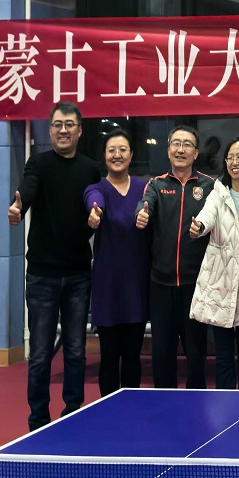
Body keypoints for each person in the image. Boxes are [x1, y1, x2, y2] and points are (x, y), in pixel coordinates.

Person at [8, 101, 101, 431]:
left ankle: (73, 414)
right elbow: (29, 187)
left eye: (69, 125)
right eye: (58, 124)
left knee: (76, 351)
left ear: (79, 131)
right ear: (50, 130)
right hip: (42, 275)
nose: (63, 130)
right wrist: (19, 207)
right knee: (40, 354)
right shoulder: (39, 162)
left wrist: (96, 217)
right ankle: (38, 421)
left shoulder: (91, 169)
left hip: (78, 274)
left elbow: (95, 202)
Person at [135, 125, 215, 389]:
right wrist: (141, 214)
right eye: (176, 144)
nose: (181, 149)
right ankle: (164, 406)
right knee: (162, 355)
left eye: (187, 144)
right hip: (161, 285)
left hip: (196, 286)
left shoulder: (209, 186)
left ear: (196, 153)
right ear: (168, 150)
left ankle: (197, 405)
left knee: (196, 355)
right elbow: (145, 204)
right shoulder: (156, 185)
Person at [189, 137, 239, 390]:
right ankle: (224, 406)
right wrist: (199, 226)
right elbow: (207, 216)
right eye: (230, 157)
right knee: (223, 357)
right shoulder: (218, 192)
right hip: (219, 286)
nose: (234, 162)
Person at [84, 128, 150, 397]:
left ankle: (131, 409)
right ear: (104, 156)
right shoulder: (97, 188)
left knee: (133, 356)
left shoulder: (144, 188)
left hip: (136, 286)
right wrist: (95, 213)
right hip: (107, 287)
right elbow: (93, 201)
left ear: (131, 155)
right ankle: (108, 411)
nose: (117, 155)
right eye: (111, 150)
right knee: (109, 357)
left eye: (123, 149)